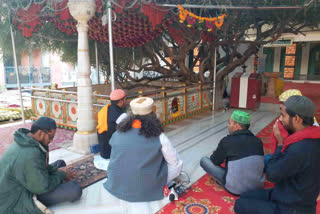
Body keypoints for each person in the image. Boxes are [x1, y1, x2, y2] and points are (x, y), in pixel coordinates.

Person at [235, 96, 320, 214]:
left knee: (240, 204)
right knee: (245, 195)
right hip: (287, 194)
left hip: (291, 208)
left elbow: (271, 174)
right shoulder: (312, 137)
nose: (280, 119)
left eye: (284, 115)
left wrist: (280, 144)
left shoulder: (299, 148)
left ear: (296, 119)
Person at [104, 97, 183, 202]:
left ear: (130, 115)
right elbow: (173, 161)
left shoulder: (117, 132)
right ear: (152, 115)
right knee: (178, 163)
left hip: (116, 183)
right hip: (144, 186)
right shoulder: (159, 136)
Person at [0, 117, 82, 214]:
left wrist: (57, 171)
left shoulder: (27, 140)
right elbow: (42, 187)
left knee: (60, 163)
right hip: (19, 196)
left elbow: (41, 166)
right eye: (50, 137)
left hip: (25, 181)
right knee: (75, 190)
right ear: (40, 133)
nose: (51, 141)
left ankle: (58, 180)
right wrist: (61, 175)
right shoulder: (30, 154)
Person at [200, 110, 265, 195]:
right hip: (257, 187)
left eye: (230, 123)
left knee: (204, 160)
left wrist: (222, 154)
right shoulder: (258, 141)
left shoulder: (227, 141)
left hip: (236, 189)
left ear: (237, 126)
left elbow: (215, 160)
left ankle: (224, 182)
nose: (228, 126)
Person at [96, 89, 127, 159]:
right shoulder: (121, 115)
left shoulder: (105, 109)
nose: (126, 101)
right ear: (121, 101)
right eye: (125, 99)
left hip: (103, 151)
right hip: (112, 153)